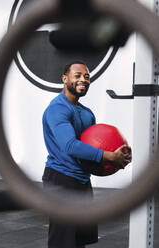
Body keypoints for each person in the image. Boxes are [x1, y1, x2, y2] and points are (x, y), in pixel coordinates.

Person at [42, 61, 132, 248]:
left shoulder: (87, 114)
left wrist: (117, 160)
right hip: (61, 179)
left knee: (80, 240)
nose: (83, 79)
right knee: (62, 242)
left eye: (87, 76)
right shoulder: (57, 109)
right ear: (65, 79)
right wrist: (108, 156)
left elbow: (89, 153)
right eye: (77, 76)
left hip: (82, 179)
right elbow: (70, 146)